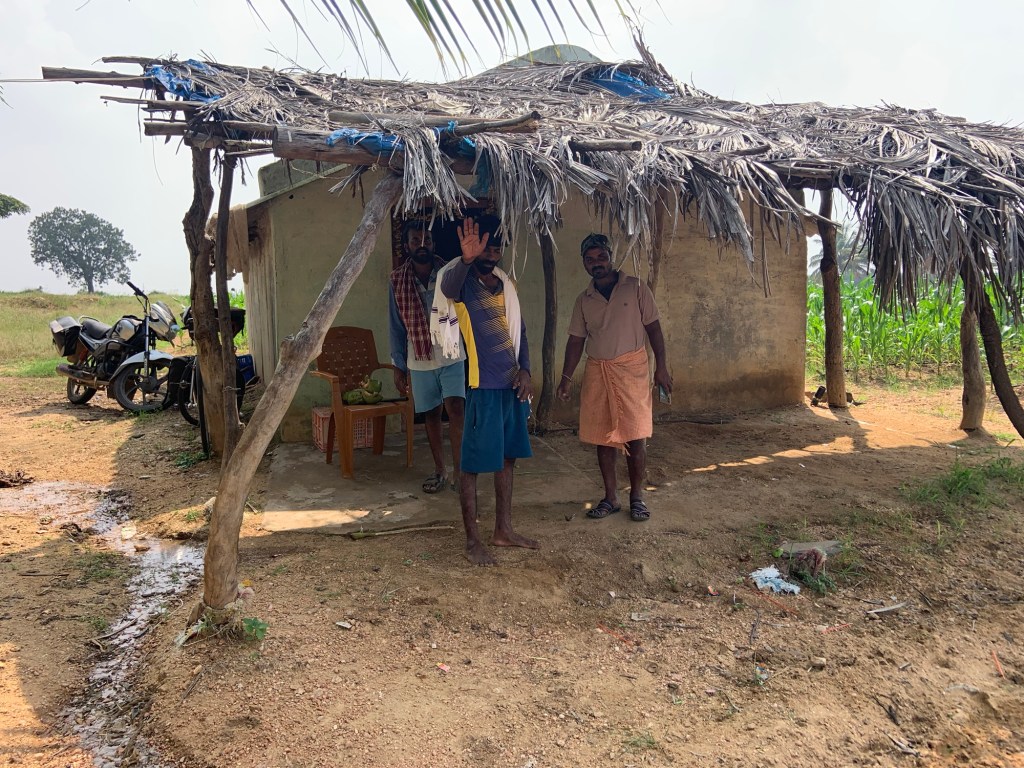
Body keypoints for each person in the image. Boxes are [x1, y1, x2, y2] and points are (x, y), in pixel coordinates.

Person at [438, 215, 538, 565]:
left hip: (512, 386)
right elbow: (447, 289)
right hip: (482, 387)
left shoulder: (505, 284)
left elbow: (520, 332)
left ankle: (503, 530)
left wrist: (526, 369)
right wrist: (466, 259)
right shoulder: (463, 283)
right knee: (471, 465)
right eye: (486, 246)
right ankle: (472, 542)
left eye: (496, 248)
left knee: (507, 459)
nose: (492, 253)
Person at [556, 233, 672, 522]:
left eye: (601, 257)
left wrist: (661, 367)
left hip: (633, 371)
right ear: (584, 263)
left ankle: (637, 497)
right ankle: (610, 498)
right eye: (590, 259)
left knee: (636, 435)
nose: (596, 263)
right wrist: (566, 378)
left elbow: (654, 329)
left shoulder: (636, 288)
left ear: (611, 257)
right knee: (603, 437)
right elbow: (575, 341)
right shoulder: (584, 300)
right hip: (599, 372)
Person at [388, 220, 466, 494]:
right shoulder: (397, 279)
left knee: (456, 411)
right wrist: (398, 365)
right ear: (406, 245)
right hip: (419, 358)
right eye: (415, 240)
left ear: (434, 243)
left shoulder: (449, 273)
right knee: (431, 414)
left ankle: (460, 473)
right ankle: (440, 470)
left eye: (427, 240)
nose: (422, 245)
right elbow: (396, 326)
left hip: (451, 352)